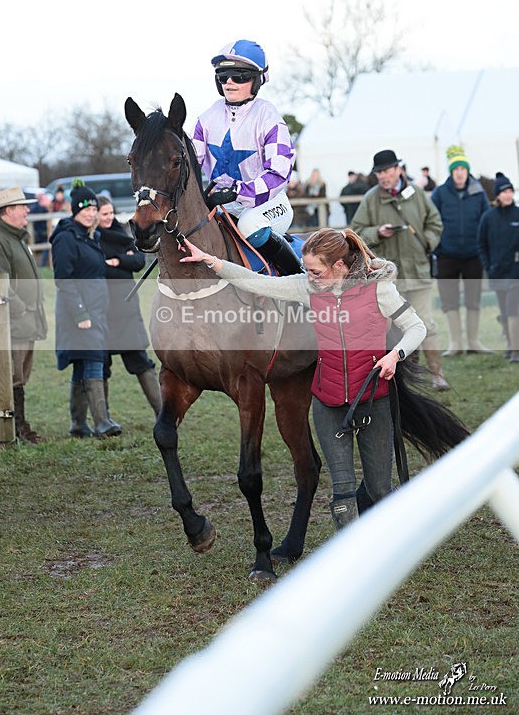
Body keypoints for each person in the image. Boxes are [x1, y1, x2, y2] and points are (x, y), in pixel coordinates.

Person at [179, 227, 426, 530]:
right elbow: (259, 283)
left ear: (338, 266)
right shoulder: (307, 288)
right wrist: (211, 261)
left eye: (315, 271)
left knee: (379, 490)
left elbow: (416, 328)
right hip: (329, 403)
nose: (309, 276)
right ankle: (351, 555)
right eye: (306, 270)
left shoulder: (379, 289)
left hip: (373, 401)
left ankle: (391, 543)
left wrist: (395, 355)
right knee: (342, 492)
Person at [192, 39, 302, 275]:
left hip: (269, 204)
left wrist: (238, 191)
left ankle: (299, 280)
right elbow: (191, 165)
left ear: (257, 80)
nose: (229, 82)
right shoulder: (206, 119)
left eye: (239, 75)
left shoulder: (268, 117)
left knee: (249, 225)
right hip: (222, 207)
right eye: (223, 75)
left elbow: (279, 174)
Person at [350, 149, 449, 391]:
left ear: (398, 169)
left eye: (386, 170)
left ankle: (437, 374)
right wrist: (377, 232)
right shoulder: (370, 198)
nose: (383, 176)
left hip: (418, 272)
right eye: (379, 172)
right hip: (388, 279)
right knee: (395, 329)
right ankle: (404, 377)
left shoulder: (417, 194)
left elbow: (435, 223)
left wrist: (427, 241)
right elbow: (355, 232)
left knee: (425, 323)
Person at [50, 179, 121, 438]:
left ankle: (78, 424)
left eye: (94, 209)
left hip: (95, 312)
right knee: (92, 361)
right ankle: (102, 421)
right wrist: (80, 312)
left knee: (83, 365)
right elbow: (64, 280)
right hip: (78, 314)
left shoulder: (89, 237)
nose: (92, 214)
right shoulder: (66, 238)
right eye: (87, 210)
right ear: (76, 210)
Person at [0, 187, 47, 442]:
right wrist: (21, 308)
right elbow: (0, 284)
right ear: (8, 210)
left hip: (26, 319)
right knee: (11, 376)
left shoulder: (14, 237)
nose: (27, 210)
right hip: (11, 321)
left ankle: (19, 426)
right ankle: (15, 429)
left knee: (20, 376)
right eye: (22, 206)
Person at [96, 196, 161, 415]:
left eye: (110, 212)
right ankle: (102, 419)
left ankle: (163, 412)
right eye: (104, 214)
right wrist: (121, 261)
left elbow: (139, 261)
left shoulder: (121, 233)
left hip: (126, 309)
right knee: (100, 366)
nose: (109, 217)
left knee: (141, 361)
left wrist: (117, 261)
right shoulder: (92, 238)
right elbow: (97, 268)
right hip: (102, 310)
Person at [431, 145, 491, 355]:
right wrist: (438, 247)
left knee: (473, 299)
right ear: (451, 171)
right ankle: (455, 343)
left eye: (463, 169)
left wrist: (483, 247)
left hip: (473, 255)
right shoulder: (440, 193)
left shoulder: (478, 192)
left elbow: (487, 220)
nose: (459, 173)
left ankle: (473, 341)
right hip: (447, 255)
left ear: (467, 171)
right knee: (449, 299)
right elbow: (431, 221)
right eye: (456, 169)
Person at [478, 173, 519, 362]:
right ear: (498, 195)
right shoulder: (488, 217)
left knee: (513, 309)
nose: (508, 194)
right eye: (504, 191)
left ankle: (515, 350)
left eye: (510, 190)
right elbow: (481, 244)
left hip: (515, 273)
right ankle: (510, 346)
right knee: (504, 311)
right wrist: (488, 266)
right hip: (497, 272)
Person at [29, 190, 53, 267]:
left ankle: (43, 264)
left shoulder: (35, 207)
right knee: (47, 243)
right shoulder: (40, 208)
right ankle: (43, 265)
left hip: (40, 232)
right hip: (40, 233)